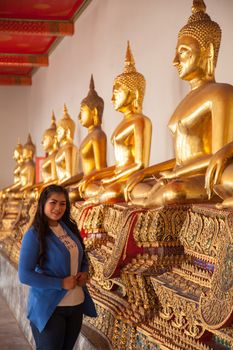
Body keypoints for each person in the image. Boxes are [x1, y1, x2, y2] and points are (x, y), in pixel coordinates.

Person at [125, 0, 233, 207]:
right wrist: (146, 173)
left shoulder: (221, 92)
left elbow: (217, 156)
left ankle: (151, 199)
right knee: (136, 188)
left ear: (208, 51)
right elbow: (180, 160)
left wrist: (171, 175)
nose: (175, 60)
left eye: (183, 51)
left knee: (173, 191)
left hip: (205, 176)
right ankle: (150, 197)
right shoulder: (184, 102)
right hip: (182, 174)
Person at [18, 184, 97, 350]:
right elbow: (25, 274)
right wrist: (60, 283)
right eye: (53, 202)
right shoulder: (34, 234)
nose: (58, 208)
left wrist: (84, 272)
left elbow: (81, 256)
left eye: (62, 203)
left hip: (75, 305)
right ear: (43, 204)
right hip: (50, 308)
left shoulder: (70, 227)